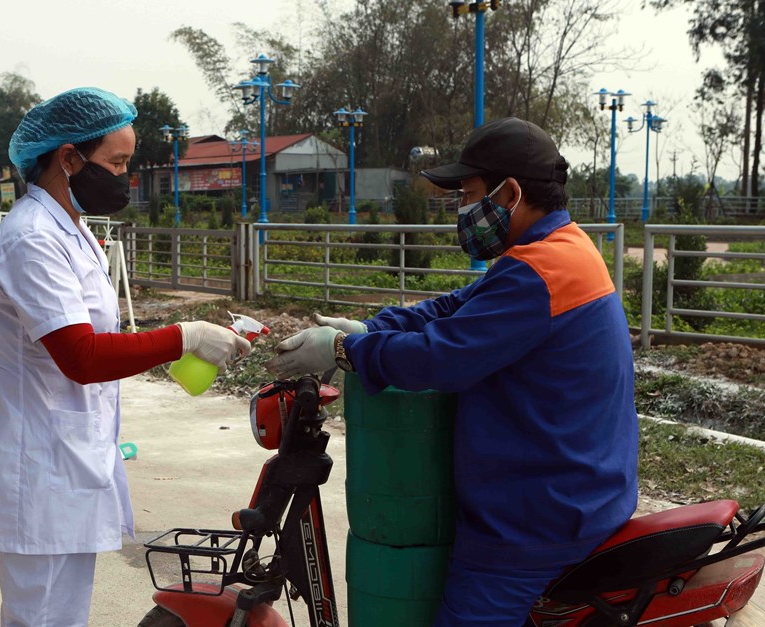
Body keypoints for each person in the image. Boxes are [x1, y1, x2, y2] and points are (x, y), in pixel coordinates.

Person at [266, 117, 639, 627]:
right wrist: (370, 327)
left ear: (510, 193)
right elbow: (453, 309)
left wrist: (347, 351)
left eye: (468, 193)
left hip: (534, 520)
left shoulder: (539, 272)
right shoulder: (557, 251)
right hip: (574, 490)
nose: (461, 209)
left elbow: (441, 357)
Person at [0, 87, 251, 627]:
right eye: (115, 163)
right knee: (39, 618)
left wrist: (181, 343)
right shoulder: (31, 238)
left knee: (64, 616)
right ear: (68, 158)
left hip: (69, 460)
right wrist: (182, 337)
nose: (123, 177)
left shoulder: (73, 232)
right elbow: (83, 356)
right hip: (37, 466)